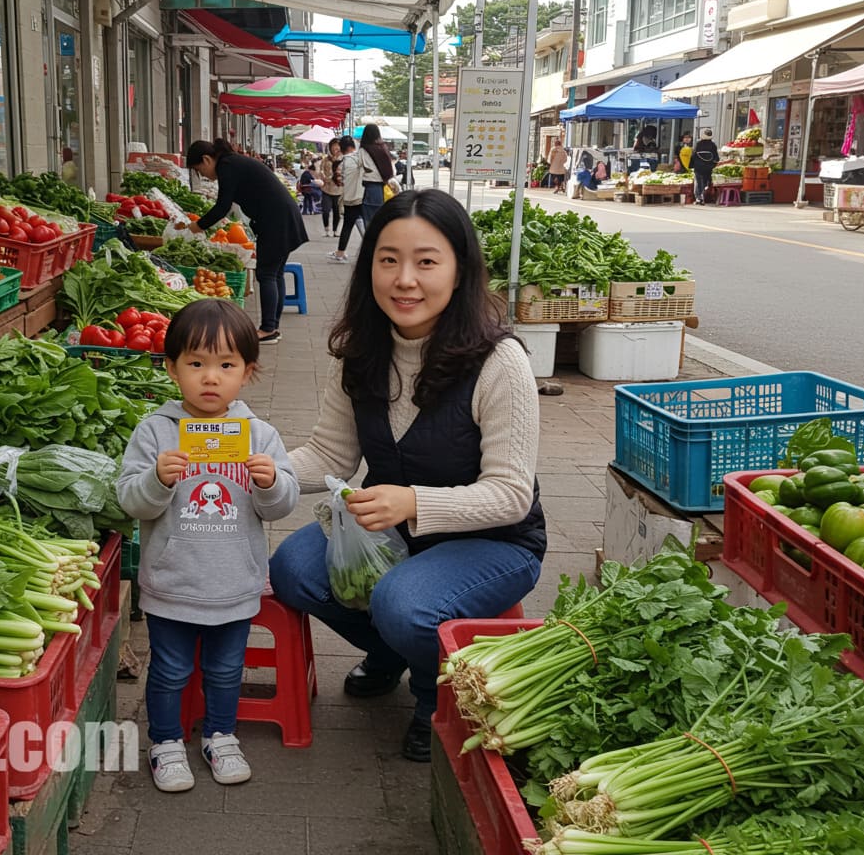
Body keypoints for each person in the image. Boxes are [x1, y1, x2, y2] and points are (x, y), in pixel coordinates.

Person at [268, 189, 546, 763]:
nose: (405, 280)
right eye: (388, 259)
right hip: (394, 535)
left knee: (403, 602)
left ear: (459, 269)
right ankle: (398, 651)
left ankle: (434, 696)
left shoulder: (500, 362)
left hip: (494, 541)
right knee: (293, 569)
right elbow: (329, 455)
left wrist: (412, 502)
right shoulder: (359, 352)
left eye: (426, 261)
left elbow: (512, 494)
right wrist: (261, 474)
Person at [116, 299, 299, 793]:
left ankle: (221, 735)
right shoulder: (156, 432)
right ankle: (166, 742)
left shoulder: (259, 436)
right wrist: (156, 479)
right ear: (172, 367)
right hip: (172, 583)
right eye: (195, 364)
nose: (210, 378)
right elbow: (131, 500)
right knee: (170, 670)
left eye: (226, 365)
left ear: (248, 371)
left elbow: (281, 506)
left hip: (234, 583)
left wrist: (269, 483)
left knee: (225, 669)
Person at [187, 139, 310, 344]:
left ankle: (268, 329)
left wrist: (196, 226)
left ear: (207, 159)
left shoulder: (227, 165)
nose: (203, 175)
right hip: (282, 216)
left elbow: (222, 206)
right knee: (275, 272)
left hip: (276, 220)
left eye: (199, 170)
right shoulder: (232, 162)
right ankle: (272, 327)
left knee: (266, 273)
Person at [327, 135, 365, 264]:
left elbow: (340, 180)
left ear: (343, 148)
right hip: (364, 196)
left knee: (348, 226)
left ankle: (341, 253)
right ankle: (342, 252)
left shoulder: (345, 161)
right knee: (363, 223)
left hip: (350, 198)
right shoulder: (362, 157)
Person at [358, 124, 398, 227]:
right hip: (383, 187)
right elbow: (391, 169)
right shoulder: (383, 148)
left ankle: (370, 241)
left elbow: (359, 166)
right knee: (379, 218)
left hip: (368, 187)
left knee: (368, 219)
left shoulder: (363, 150)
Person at [319, 138, 345, 240]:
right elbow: (320, 171)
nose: (336, 148)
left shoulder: (344, 159)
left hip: (339, 189)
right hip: (326, 189)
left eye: (337, 146)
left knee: (337, 212)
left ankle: (335, 230)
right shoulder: (326, 159)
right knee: (325, 210)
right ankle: (326, 230)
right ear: (330, 147)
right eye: (333, 145)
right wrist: (323, 176)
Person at [691, 128, 720, 206]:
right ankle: (703, 196)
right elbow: (716, 158)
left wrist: (691, 165)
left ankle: (698, 198)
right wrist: (714, 164)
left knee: (698, 182)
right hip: (708, 168)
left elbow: (693, 155)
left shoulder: (698, 144)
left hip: (698, 167)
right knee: (705, 182)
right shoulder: (713, 145)